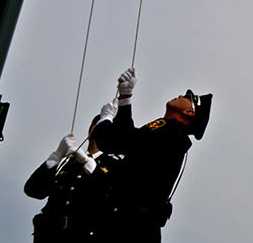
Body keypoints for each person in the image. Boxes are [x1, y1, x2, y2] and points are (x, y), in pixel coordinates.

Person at [90, 68, 212, 242]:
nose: (181, 95)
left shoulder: (170, 131)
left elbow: (121, 142)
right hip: (132, 223)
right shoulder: (168, 130)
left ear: (189, 112)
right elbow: (129, 139)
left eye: (187, 98)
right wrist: (125, 99)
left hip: (131, 225)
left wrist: (105, 120)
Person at [24, 116, 124, 242]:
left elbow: (115, 201)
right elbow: (34, 191)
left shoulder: (114, 166)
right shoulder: (70, 162)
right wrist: (55, 157)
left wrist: (92, 168)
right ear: (94, 129)